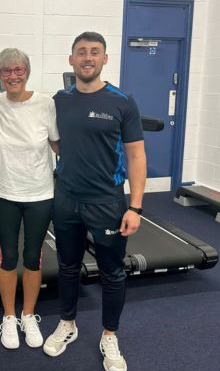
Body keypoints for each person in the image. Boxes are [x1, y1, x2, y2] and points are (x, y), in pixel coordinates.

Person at [42, 32, 146, 371]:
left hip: (107, 201)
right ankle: (67, 324)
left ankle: (109, 334)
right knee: (68, 267)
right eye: (81, 52)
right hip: (67, 198)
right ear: (71, 60)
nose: (88, 57)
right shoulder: (59, 100)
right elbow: (54, 140)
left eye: (95, 52)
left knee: (112, 272)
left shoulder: (122, 100)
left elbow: (136, 155)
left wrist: (135, 206)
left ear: (105, 59)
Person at [0, 48, 59, 350]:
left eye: (18, 70)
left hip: (40, 193)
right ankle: (9, 316)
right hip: (5, 193)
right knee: (8, 256)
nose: (13, 76)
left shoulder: (46, 104)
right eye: (6, 71)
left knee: (33, 255)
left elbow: (57, 145)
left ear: (26, 72)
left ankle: (28, 314)